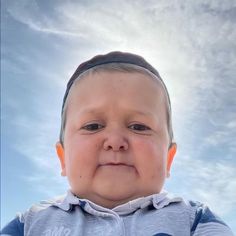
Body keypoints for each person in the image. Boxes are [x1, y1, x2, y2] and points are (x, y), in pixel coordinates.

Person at [1, 51, 234, 236]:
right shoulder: (30, 224)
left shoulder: (195, 220)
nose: (115, 142)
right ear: (63, 158)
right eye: (93, 126)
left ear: (168, 159)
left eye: (139, 127)